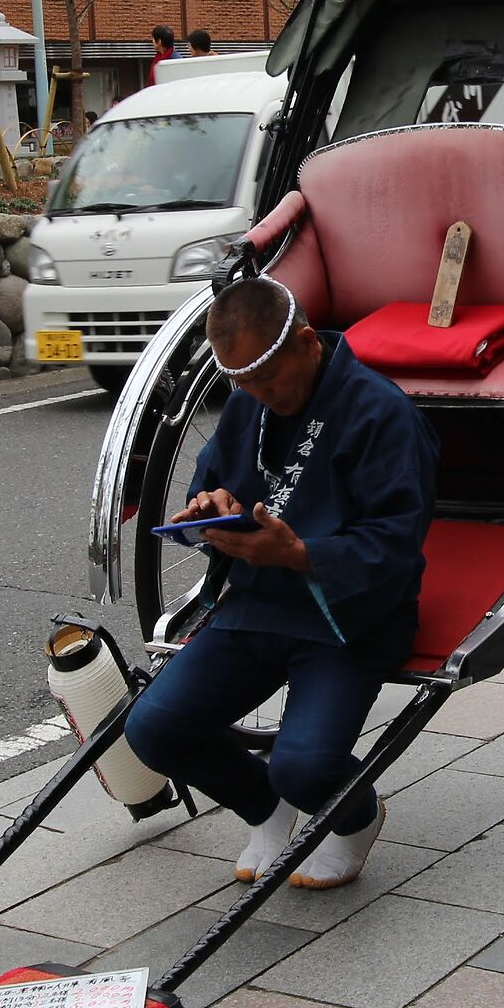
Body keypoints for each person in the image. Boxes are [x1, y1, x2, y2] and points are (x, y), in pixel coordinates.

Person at [122, 275, 439, 890]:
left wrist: (298, 552)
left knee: (304, 766)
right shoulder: (249, 402)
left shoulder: (383, 413)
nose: (257, 396)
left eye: (266, 379)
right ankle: (264, 809)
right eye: (242, 383)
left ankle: (356, 818)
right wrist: (204, 511)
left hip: (350, 616)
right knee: (153, 727)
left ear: (306, 343)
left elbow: (396, 545)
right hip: (257, 602)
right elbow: (210, 479)